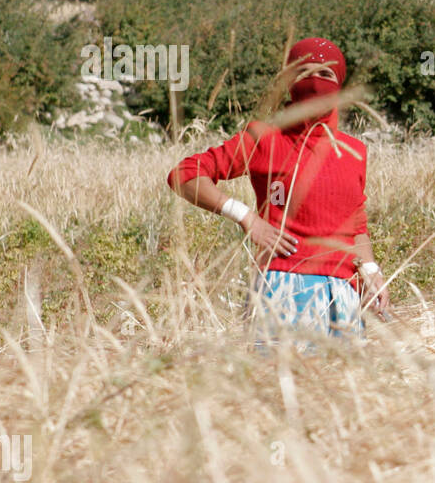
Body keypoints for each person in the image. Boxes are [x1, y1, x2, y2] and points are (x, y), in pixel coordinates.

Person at [165, 37, 389, 348]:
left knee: (339, 393)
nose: (314, 81)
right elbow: (185, 175)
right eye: (303, 71)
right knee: (277, 391)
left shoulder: (354, 151)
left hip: (344, 295)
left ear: (339, 84)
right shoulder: (265, 138)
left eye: (325, 74)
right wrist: (245, 217)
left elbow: (356, 225)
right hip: (283, 290)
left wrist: (371, 272)